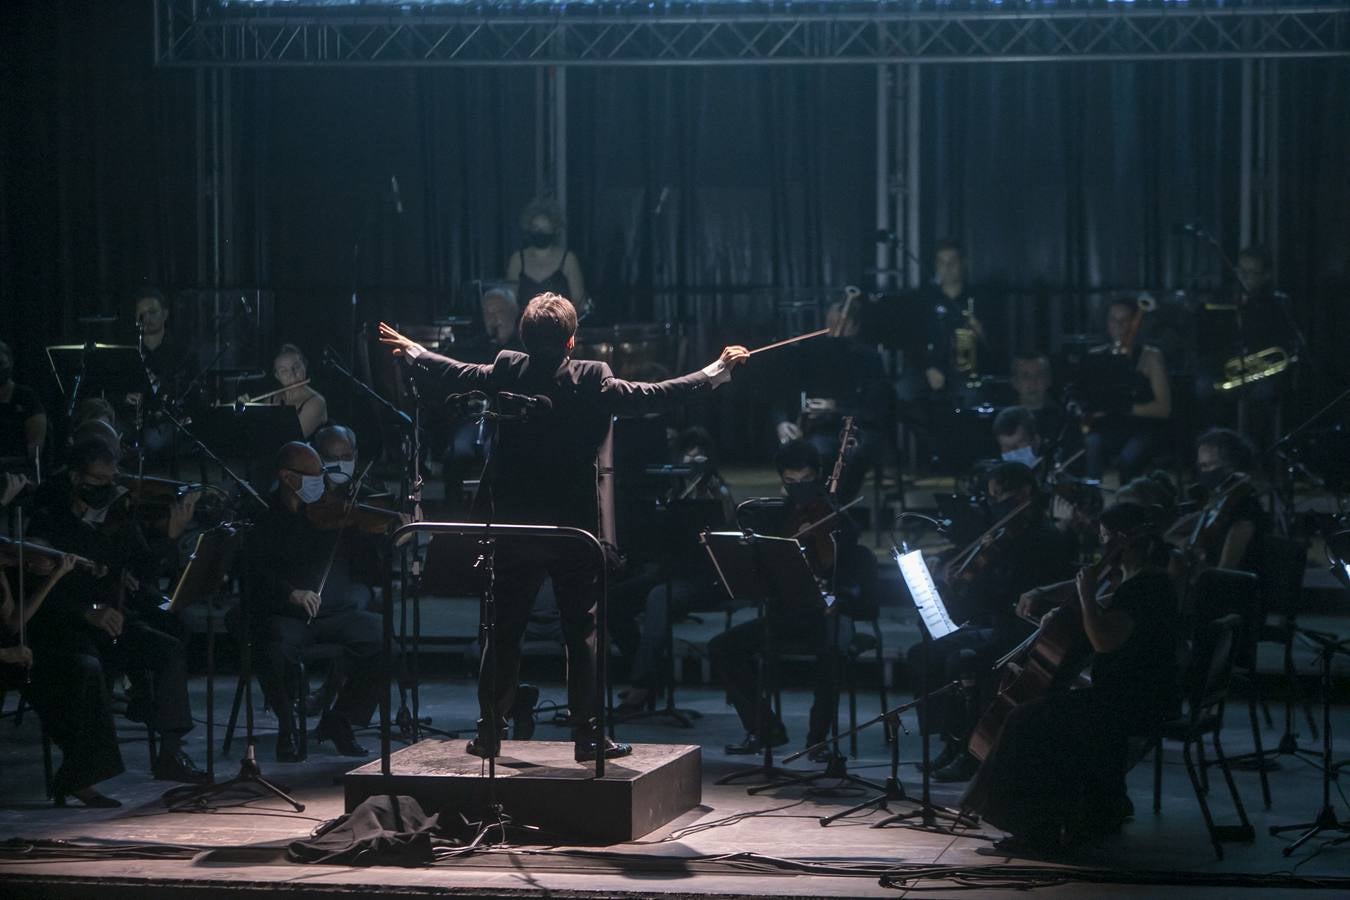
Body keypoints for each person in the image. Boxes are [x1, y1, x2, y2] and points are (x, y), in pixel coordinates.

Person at [378, 295, 748, 762]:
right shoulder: (592, 378)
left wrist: (413, 349)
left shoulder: (508, 367)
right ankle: (588, 736)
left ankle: (490, 731)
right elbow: (659, 394)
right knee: (581, 630)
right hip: (573, 530)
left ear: (523, 338)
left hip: (516, 527)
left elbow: (455, 371)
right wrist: (716, 370)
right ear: (572, 340)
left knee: (504, 628)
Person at [963, 502, 1180, 855]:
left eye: (1106, 539)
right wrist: (1074, 604)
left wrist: (1084, 596)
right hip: (1134, 694)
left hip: (1133, 702)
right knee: (1047, 710)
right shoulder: (1146, 581)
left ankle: (1035, 832)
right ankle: (1099, 808)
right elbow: (1111, 616)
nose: (1102, 549)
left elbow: (1104, 641)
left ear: (1124, 541)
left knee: (1026, 719)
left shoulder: (1146, 587)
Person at [24, 439, 208, 806]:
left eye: (113, 479)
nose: (108, 488)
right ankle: (81, 776)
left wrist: (171, 536)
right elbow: (35, 590)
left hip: (112, 623)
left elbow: (145, 567)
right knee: (86, 669)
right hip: (64, 626)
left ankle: (170, 752)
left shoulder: (118, 518)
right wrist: (85, 611)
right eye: (98, 480)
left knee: (168, 649)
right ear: (76, 478)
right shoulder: (49, 519)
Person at [707, 439, 879, 758]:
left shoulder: (838, 518)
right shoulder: (777, 516)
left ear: (818, 476)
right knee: (722, 647)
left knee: (832, 649)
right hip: (787, 614)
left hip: (831, 614)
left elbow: (856, 570)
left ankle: (819, 739)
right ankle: (765, 728)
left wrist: (826, 529)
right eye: (791, 483)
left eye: (806, 481)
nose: (799, 489)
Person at [905, 462, 1075, 782]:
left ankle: (971, 753)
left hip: (1024, 627)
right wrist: (956, 576)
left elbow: (1017, 592)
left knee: (961, 659)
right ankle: (950, 741)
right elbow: (982, 594)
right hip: (993, 621)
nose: (998, 503)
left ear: (1026, 493)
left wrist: (990, 565)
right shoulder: (997, 535)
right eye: (993, 495)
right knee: (922, 654)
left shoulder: (1047, 538)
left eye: (1004, 494)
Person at [245, 440, 390, 763]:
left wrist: (387, 531)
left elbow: (367, 561)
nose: (321, 482)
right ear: (287, 477)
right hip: (289, 614)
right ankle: (287, 726)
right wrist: (290, 592)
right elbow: (254, 571)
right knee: (275, 647)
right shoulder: (263, 517)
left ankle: (340, 720)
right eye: (312, 476)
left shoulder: (329, 512)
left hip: (334, 612)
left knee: (384, 638)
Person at [771, 298, 891, 501]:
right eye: (832, 325)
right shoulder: (811, 355)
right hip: (822, 430)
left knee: (851, 455)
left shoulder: (869, 359)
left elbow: (874, 409)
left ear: (855, 327)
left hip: (859, 430)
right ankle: (805, 504)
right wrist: (782, 421)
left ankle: (835, 508)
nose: (835, 332)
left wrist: (835, 407)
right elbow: (783, 391)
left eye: (842, 325)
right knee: (812, 452)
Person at [1081, 298, 1173, 482]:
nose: (1119, 325)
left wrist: (1124, 406)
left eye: (1125, 320)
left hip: (1141, 429)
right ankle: (1091, 498)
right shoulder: (1096, 356)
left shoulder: (1151, 357)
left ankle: (1129, 501)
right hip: (1107, 429)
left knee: (1128, 459)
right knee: (1091, 445)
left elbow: (1164, 408)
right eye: (1113, 319)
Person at [505, 199, 587, 318]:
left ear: (554, 229)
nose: (540, 232)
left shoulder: (568, 259)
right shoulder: (517, 260)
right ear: (528, 228)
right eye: (536, 228)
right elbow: (510, 302)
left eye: (545, 228)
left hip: (560, 328)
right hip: (525, 330)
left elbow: (579, 301)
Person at [0, 339, 47, 466]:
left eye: (1, 363)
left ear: (11, 363)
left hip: (17, 470)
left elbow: (35, 448)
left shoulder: (26, 397)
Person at [271, 344, 328, 440]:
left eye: (296, 367)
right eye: (284, 371)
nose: (292, 375)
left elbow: (291, 440)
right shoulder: (271, 398)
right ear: (277, 376)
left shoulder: (317, 402)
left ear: (305, 366)